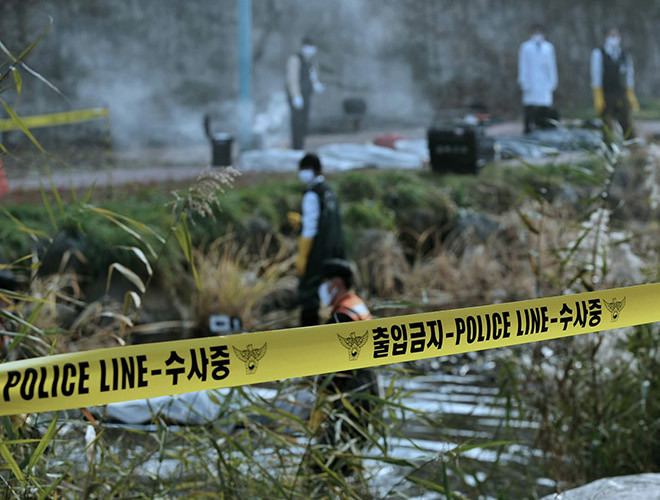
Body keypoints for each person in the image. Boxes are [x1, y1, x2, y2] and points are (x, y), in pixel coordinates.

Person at [312, 258, 379, 476]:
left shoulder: (342, 316)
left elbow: (330, 365)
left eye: (323, 282)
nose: (321, 288)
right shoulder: (356, 304)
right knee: (348, 459)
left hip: (352, 394)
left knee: (322, 463)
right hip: (369, 387)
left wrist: (320, 396)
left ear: (336, 283)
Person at [291, 153, 345, 327]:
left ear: (313, 170)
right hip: (335, 249)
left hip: (317, 252)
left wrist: (303, 256)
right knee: (335, 293)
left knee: (309, 294)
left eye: (304, 169)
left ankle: (309, 333)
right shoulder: (329, 191)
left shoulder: (312, 194)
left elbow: (311, 228)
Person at [590, 27, 640, 140]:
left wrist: (630, 93)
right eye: (611, 36)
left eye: (616, 36)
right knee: (607, 123)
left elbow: (629, 74)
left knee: (626, 121)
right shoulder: (599, 53)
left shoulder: (625, 54)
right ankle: (608, 146)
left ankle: (631, 144)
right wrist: (598, 95)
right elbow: (596, 75)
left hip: (621, 93)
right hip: (606, 93)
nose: (614, 39)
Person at [517, 24, 558, 134]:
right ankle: (528, 128)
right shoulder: (526, 47)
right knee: (529, 105)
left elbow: (551, 66)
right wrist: (523, 81)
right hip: (530, 80)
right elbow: (523, 65)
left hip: (544, 81)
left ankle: (542, 126)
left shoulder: (548, 47)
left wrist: (553, 81)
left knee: (544, 105)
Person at [285, 36, 324, 150]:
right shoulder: (295, 59)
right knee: (296, 122)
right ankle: (296, 147)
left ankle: (300, 146)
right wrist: (295, 95)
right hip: (297, 96)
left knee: (304, 123)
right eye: (308, 46)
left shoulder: (311, 61)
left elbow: (313, 75)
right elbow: (292, 78)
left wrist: (316, 84)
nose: (310, 49)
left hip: (307, 95)